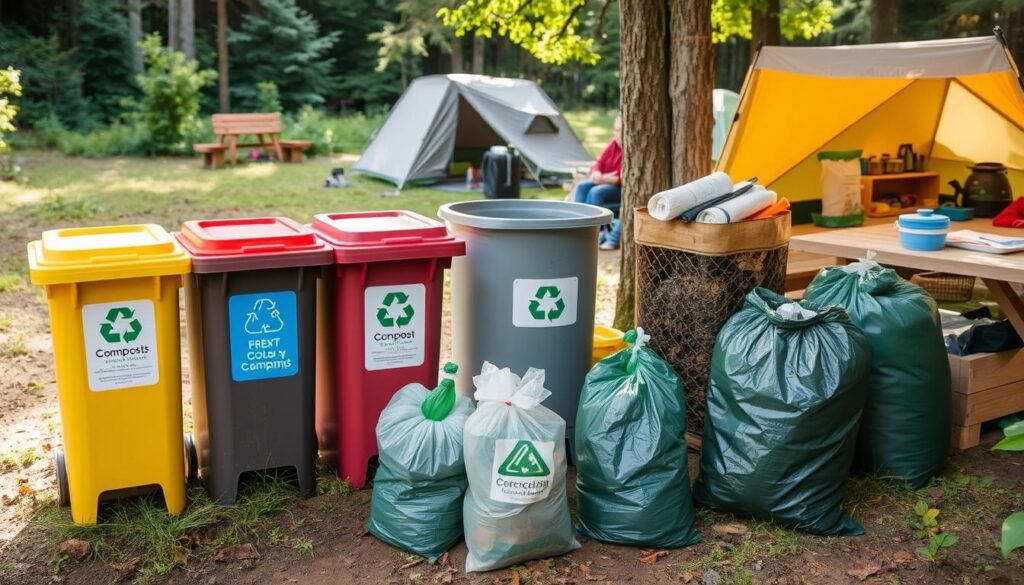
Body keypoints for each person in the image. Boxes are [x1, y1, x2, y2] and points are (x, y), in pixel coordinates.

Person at [574, 115, 622, 249]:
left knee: (596, 192)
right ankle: (576, 225)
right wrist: (597, 172)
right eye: (615, 129)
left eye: (618, 130)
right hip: (606, 181)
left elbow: (623, 178)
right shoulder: (613, 143)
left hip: (620, 188)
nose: (615, 133)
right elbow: (598, 162)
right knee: (582, 186)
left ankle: (595, 231)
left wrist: (606, 178)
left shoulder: (630, 147)